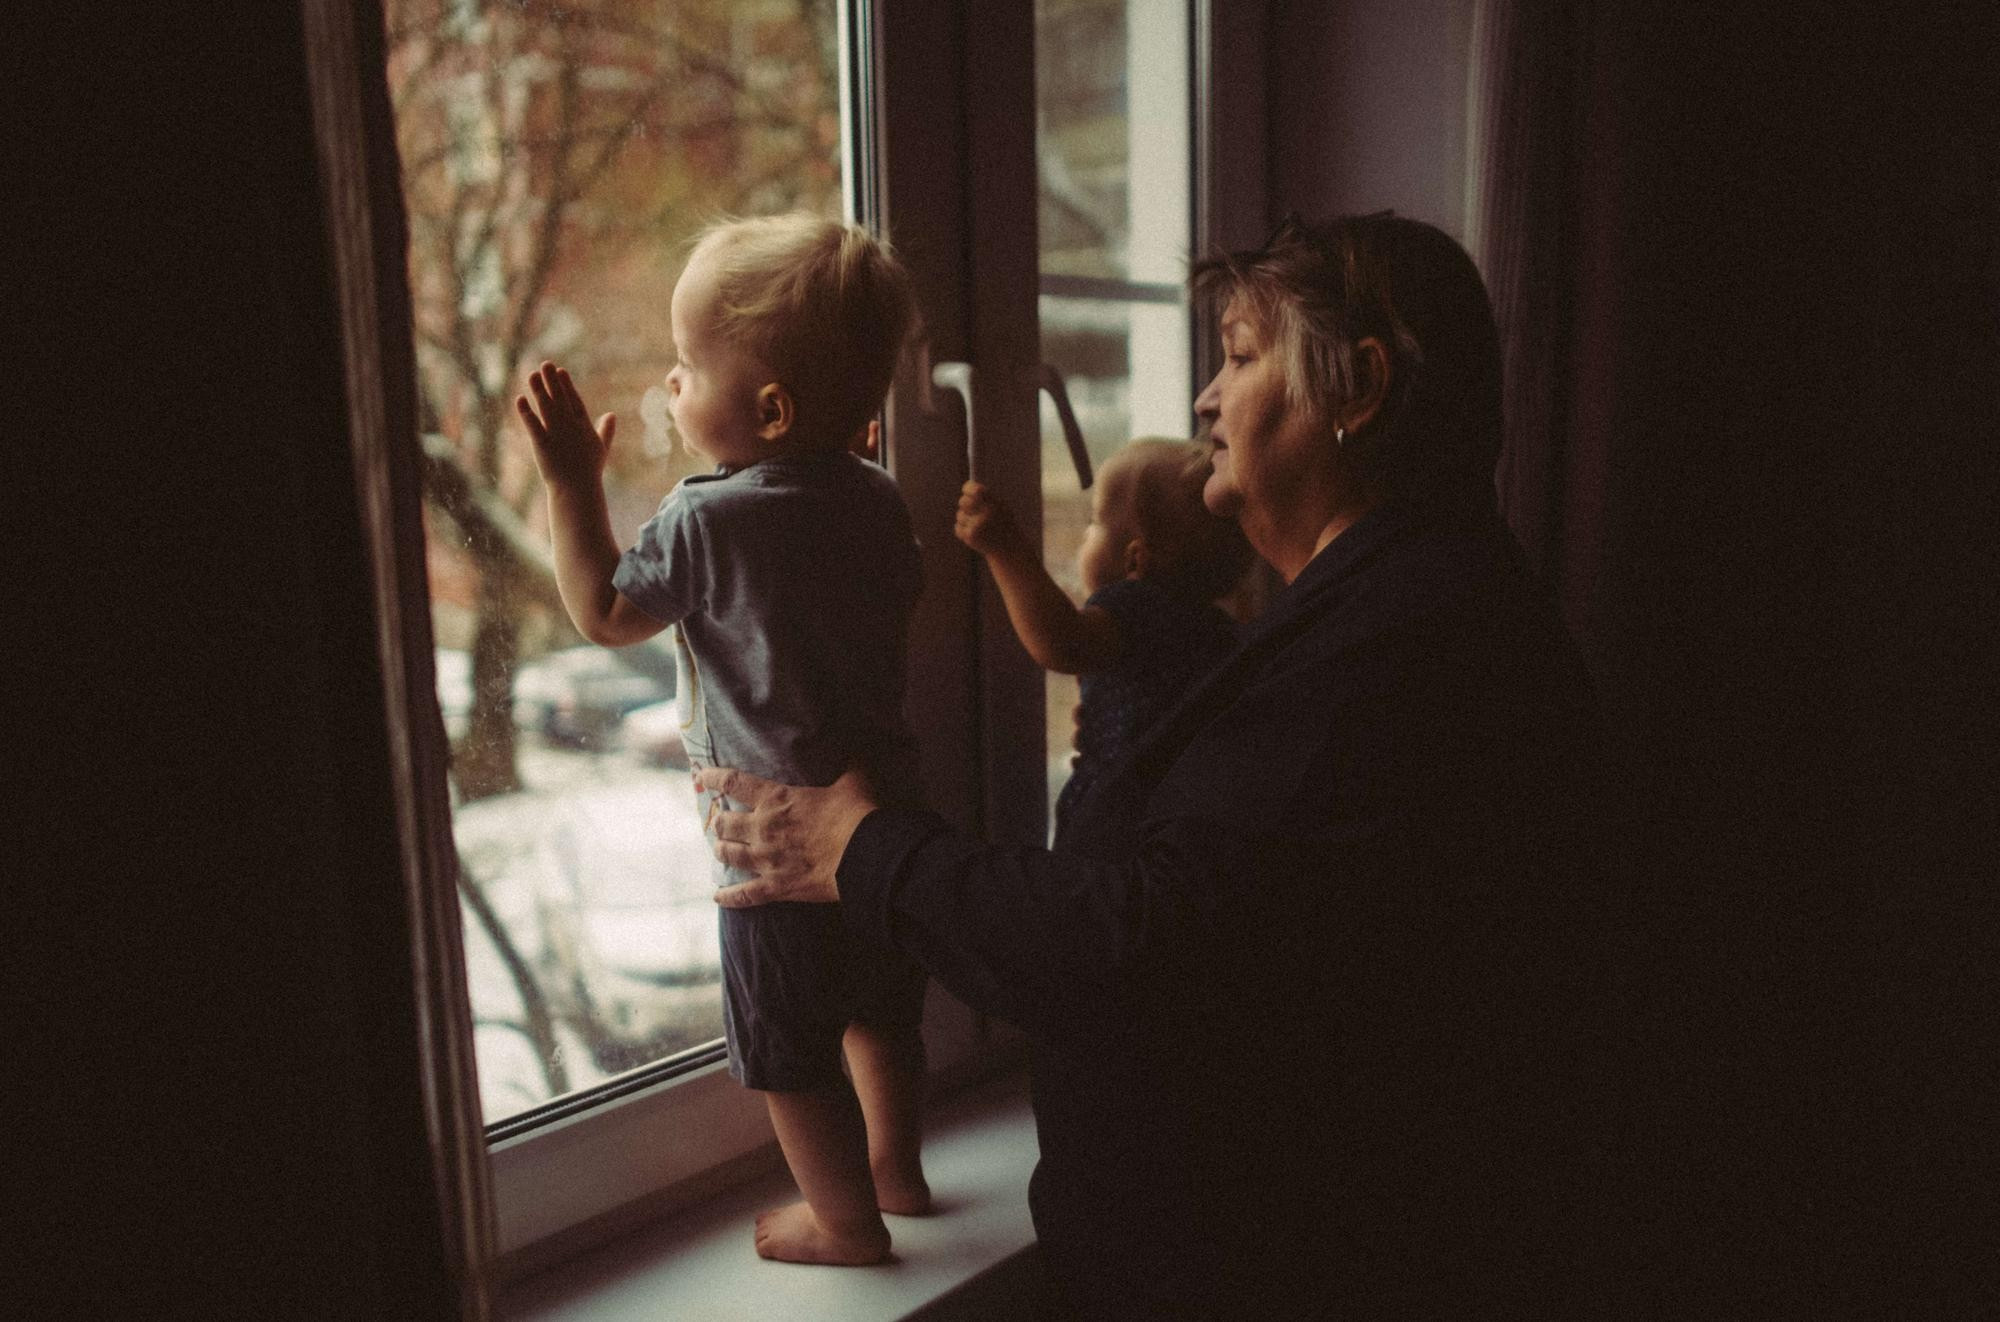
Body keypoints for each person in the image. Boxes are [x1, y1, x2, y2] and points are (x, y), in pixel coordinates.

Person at [697, 214, 1610, 1315]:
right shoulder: (1408, 605)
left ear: (1359, 389)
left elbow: (1138, 945)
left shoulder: (1393, 654)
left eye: (1240, 355)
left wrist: (866, 850)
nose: (1205, 401)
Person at [514, 213, 932, 1267]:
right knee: (881, 1012)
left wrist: (571, 482)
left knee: (791, 1052)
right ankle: (896, 1169)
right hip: (884, 825)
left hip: (772, 855)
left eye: (688, 366)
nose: (670, 382)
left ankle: (846, 1221)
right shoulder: (879, 500)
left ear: (770, 409)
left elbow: (605, 613)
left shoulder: (707, 520)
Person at [953, 438, 1252, 842]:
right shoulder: (1219, 630)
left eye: (1094, 523)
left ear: (1135, 559)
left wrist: (1005, 548)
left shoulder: (1135, 605)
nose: (1085, 535)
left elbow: (1061, 640)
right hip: (1176, 821)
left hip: (1115, 822)